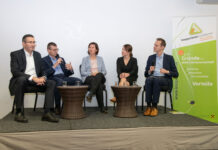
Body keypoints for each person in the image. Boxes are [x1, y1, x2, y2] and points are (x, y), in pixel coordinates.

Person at [9, 34, 59, 123]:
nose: (33, 44)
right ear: (24, 44)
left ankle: (47, 113)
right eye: (30, 42)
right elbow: (15, 71)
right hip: (24, 81)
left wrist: (42, 78)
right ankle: (19, 113)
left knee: (51, 82)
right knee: (20, 79)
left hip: (36, 81)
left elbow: (42, 70)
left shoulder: (37, 55)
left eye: (34, 42)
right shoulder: (15, 54)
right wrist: (33, 78)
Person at [42, 42, 82, 115]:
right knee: (60, 82)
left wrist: (70, 69)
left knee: (78, 81)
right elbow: (45, 73)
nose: (56, 51)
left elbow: (67, 73)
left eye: (57, 49)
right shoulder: (44, 60)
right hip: (53, 78)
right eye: (54, 50)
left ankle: (70, 105)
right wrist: (55, 64)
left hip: (63, 77)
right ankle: (58, 107)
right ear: (48, 50)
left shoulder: (61, 59)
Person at [144, 38, 179, 117]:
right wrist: (149, 71)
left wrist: (166, 71)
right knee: (149, 79)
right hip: (153, 78)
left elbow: (176, 74)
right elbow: (145, 74)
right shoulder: (151, 57)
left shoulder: (169, 58)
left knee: (155, 80)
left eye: (156, 45)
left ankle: (155, 106)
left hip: (165, 80)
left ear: (162, 47)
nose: (154, 46)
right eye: (154, 45)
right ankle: (149, 106)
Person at [81, 42, 107, 113]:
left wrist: (97, 73)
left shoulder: (100, 59)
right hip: (89, 78)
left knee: (99, 75)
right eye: (89, 47)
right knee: (99, 86)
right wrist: (91, 73)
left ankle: (91, 93)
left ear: (96, 49)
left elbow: (104, 71)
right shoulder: (85, 59)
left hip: (100, 77)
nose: (90, 49)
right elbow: (82, 72)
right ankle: (102, 108)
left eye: (92, 47)